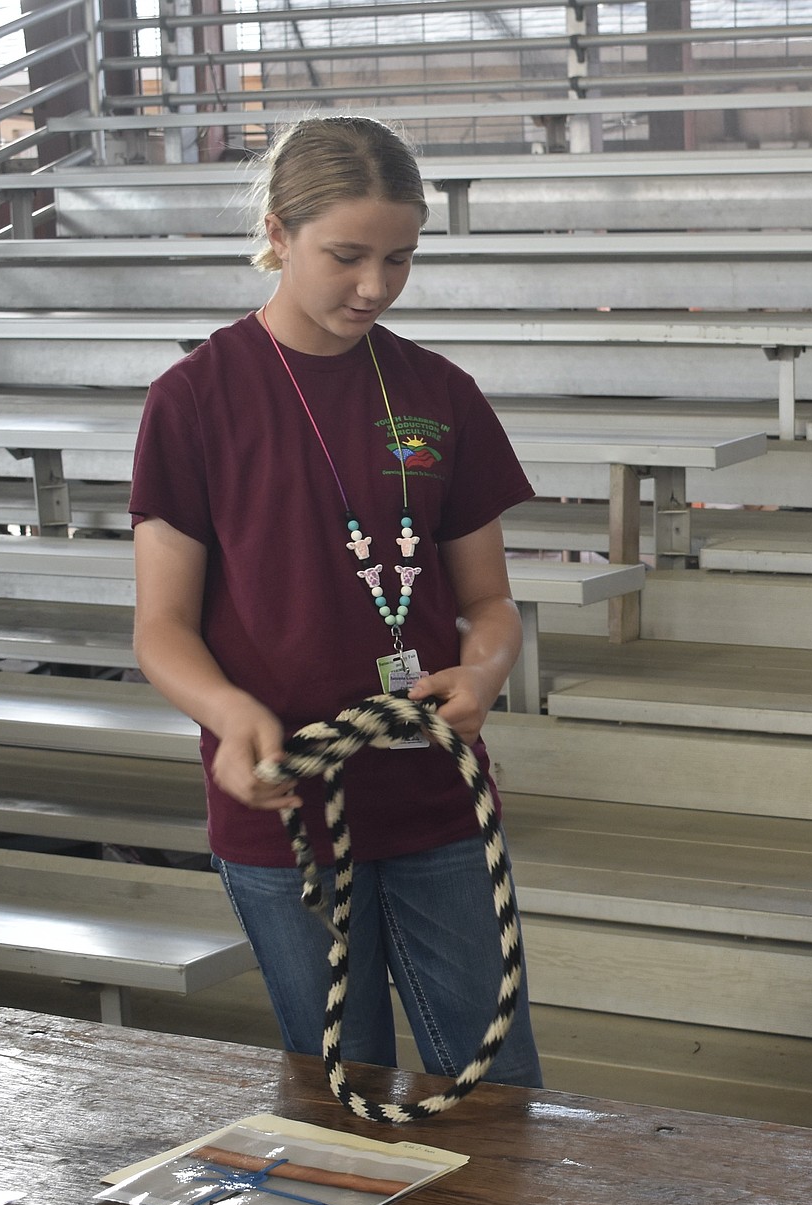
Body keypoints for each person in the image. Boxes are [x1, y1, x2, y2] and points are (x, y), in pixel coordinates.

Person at [130, 115, 542, 1088]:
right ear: (277, 234)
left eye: (399, 259)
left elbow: (488, 604)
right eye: (345, 256)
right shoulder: (194, 400)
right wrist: (231, 717)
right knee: (338, 1096)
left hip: (434, 803)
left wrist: (480, 674)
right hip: (284, 816)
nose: (374, 287)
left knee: (493, 1094)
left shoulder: (439, 392)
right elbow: (162, 628)